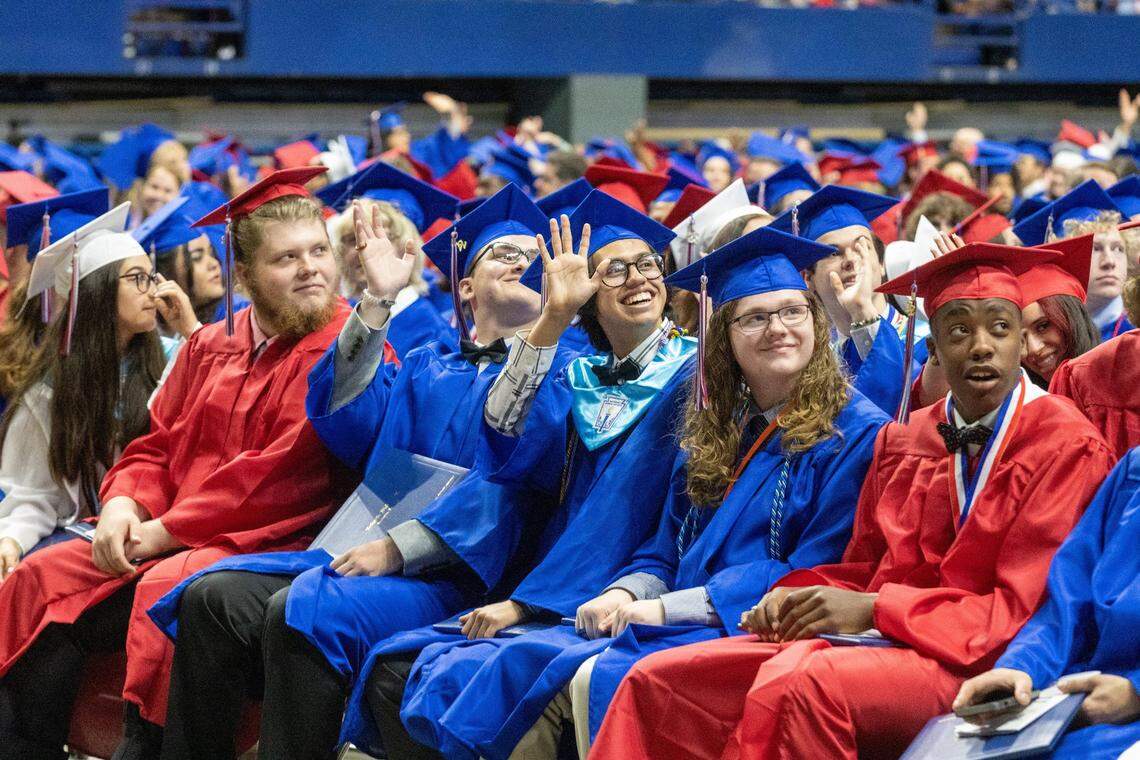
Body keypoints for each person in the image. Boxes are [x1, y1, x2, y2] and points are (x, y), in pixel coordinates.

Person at [590, 242, 1116, 760]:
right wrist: (796, 599)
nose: (981, 347)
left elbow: (1026, 606)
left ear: (1022, 343)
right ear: (932, 347)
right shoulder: (907, 438)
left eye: (999, 328)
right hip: (888, 638)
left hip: (984, 657)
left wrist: (876, 609)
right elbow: (862, 565)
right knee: (664, 680)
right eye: (958, 330)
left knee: (802, 684)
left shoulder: (1064, 443)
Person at [151, 184, 578, 760]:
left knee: (308, 609)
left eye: (532, 256)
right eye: (501, 254)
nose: (522, 262)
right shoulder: (429, 363)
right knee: (213, 597)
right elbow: (349, 423)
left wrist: (401, 549)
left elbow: (515, 483)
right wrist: (376, 301)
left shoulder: (567, 373)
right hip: (370, 552)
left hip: (467, 574)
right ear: (466, 286)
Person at [452, 225, 890, 760]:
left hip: (760, 630)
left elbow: (816, 571)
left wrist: (671, 610)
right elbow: (665, 544)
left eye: (793, 312)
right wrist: (628, 592)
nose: (778, 329)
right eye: (754, 317)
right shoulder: (714, 424)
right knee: (527, 671)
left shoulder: (855, 433)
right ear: (723, 335)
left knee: (583, 679)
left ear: (816, 324)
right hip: (684, 623)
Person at [0, 167, 358, 760]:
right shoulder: (209, 343)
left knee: (170, 587)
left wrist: (161, 532)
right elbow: (156, 443)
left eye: (319, 250)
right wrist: (121, 504)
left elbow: (280, 475)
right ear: (243, 274)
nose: (311, 269)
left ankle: (144, 748)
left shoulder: (346, 346)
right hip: (168, 533)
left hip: (267, 540)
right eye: (286, 258)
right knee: (43, 578)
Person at [347, 189, 695, 759]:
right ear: (588, 296)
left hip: (618, 592)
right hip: (555, 586)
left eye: (647, 264)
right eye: (615, 270)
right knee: (397, 670)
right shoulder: (579, 378)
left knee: (444, 676)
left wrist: (529, 604)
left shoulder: (695, 375)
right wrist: (552, 317)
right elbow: (505, 441)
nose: (638, 278)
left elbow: (636, 524)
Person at [0, 202, 194, 579]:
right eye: (136, 277)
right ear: (99, 293)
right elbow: (37, 496)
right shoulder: (53, 391)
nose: (153, 288)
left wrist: (192, 332)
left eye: (151, 276)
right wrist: (11, 541)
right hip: (89, 537)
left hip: (162, 534)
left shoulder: (178, 360)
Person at [952, 447, 1140, 760]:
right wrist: (1020, 668)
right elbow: (1067, 606)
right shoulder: (1134, 470)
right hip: (1084, 696)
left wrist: (1136, 692)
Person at [768, 184, 917, 417]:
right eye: (834, 253)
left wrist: (862, 311)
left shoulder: (922, 343)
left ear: (880, 264)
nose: (849, 260)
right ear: (808, 278)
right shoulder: (805, 361)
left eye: (861, 247)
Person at [315, 159, 459, 360]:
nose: (362, 248)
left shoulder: (433, 337)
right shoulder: (331, 315)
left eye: (380, 236)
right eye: (351, 239)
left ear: (410, 247)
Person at [1013, 180, 1132, 341]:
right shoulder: (1046, 338)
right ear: (1064, 259)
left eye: (1118, 248)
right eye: (1095, 249)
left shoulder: (1133, 331)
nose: (1109, 261)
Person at [1018, 234, 1100, 385]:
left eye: (1043, 326)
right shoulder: (1030, 405)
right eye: (1020, 338)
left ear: (1073, 318)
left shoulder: (1124, 383)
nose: (1033, 349)